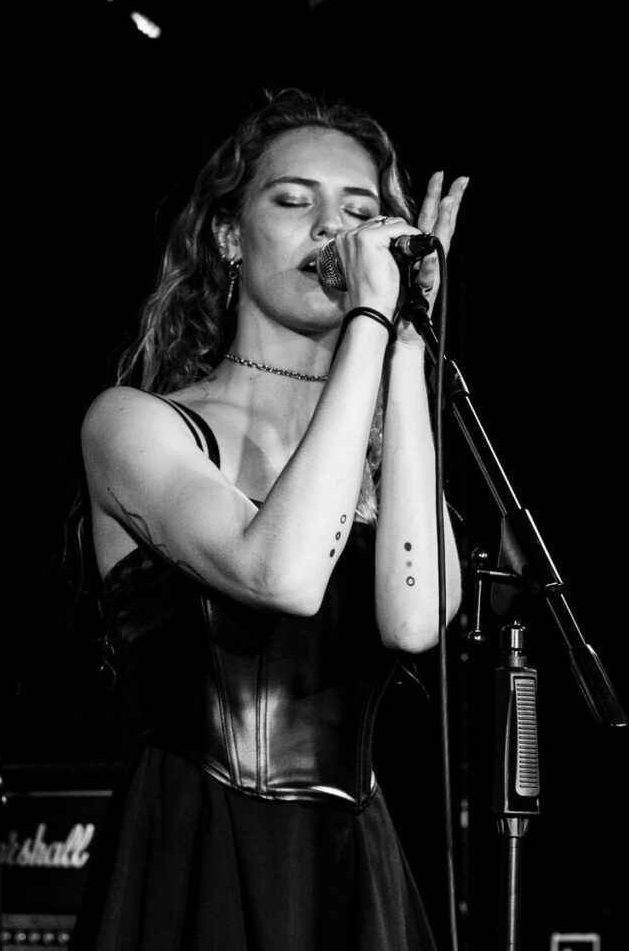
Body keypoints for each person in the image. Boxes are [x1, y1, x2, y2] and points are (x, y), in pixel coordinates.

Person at [71, 89, 468, 951]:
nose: (334, 230)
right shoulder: (136, 425)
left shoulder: (372, 453)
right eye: (295, 201)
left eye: (359, 212)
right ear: (227, 235)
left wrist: (405, 344)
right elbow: (280, 574)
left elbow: (415, 619)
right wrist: (369, 319)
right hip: (196, 851)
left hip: (348, 865)